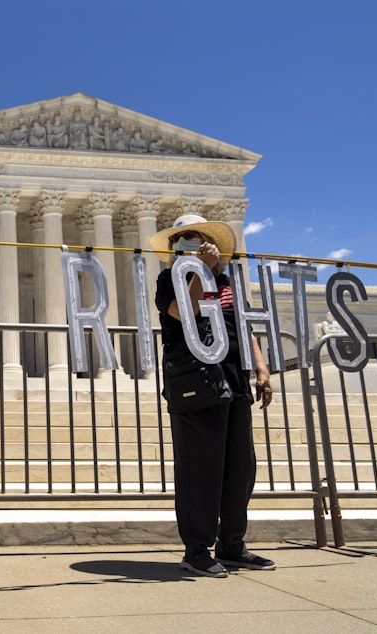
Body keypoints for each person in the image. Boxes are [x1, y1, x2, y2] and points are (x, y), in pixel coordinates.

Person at [149, 214, 275, 578]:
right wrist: (197, 273)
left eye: (199, 238)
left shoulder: (225, 281)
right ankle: (196, 549)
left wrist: (261, 367)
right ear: (175, 250)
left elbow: (241, 324)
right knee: (201, 468)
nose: (194, 244)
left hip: (234, 380)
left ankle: (232, 543)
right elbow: (181, 313)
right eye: (185, 240)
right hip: (197, 383)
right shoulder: (168, 280)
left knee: (240, 468)